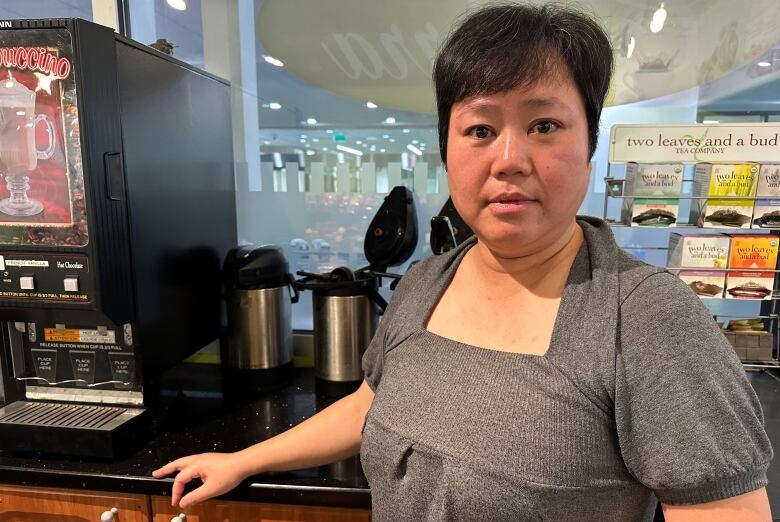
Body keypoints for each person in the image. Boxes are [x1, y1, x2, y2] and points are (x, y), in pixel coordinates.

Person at [154, 4, 773, 520]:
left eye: (545, 124)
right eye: (480, 130)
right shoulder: (428, 281)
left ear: (589, 146)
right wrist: (246, 459)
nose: (509, 158)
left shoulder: (646, 317)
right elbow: (376, 400)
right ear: (447, 153)